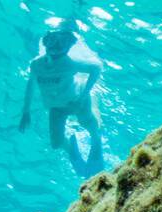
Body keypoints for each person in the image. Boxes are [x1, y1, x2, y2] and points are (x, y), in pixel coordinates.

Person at [19, 27, 104, 177]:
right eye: (52, 40)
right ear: (45, 42)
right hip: (56, 107)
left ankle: (96, 140)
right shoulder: (36, 65)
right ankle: (72, 149)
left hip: (76, 101)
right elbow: (30, 86)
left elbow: (96, 67)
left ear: (68, 46)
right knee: (56, 143)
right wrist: (26, 111)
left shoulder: (69, 63)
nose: (56, 46)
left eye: (62, 42)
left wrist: (84, 95)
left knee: (89, 125)